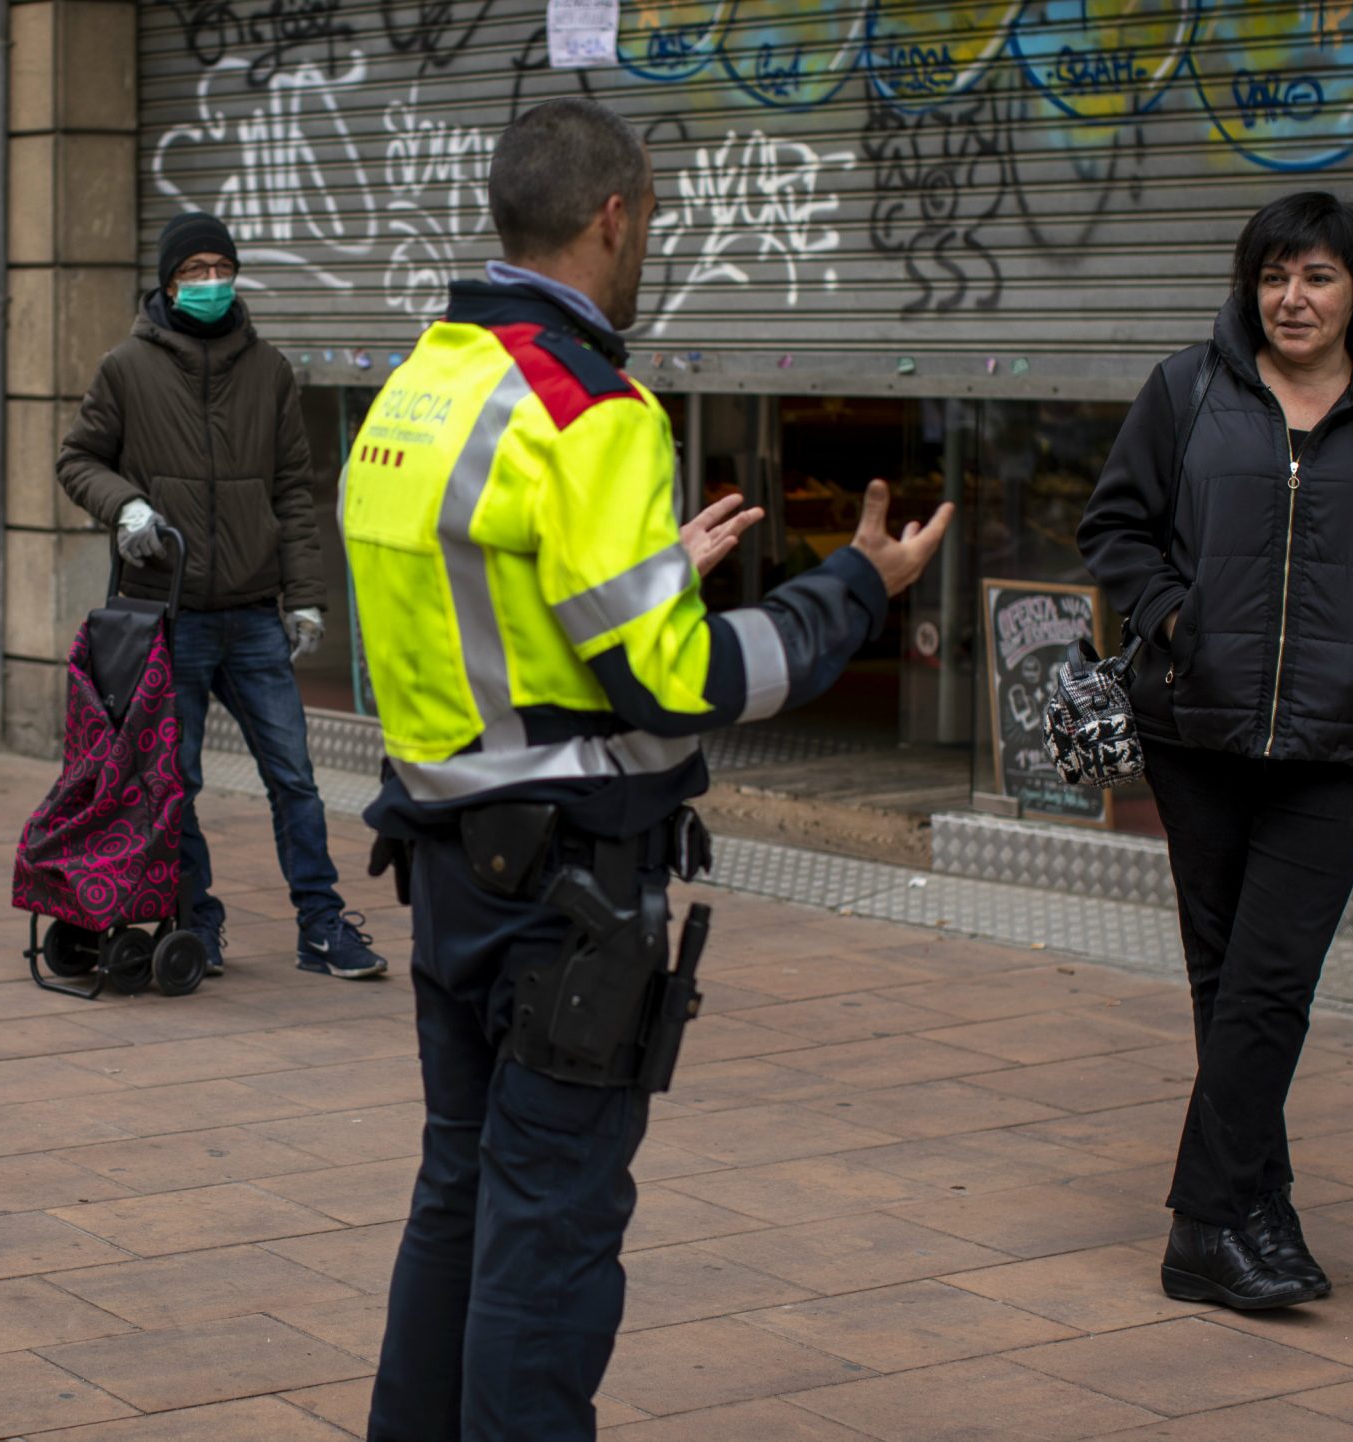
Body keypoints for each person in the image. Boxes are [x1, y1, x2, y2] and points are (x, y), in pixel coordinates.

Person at [343, 98, 951, 1441]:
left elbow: (490, 604)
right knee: (551, 1230)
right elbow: (676, 681)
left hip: (447, 862)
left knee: (460, 1191)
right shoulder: (592, 408)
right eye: (652, 220)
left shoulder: (422, 384)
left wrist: (643, 570)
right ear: (614, 215)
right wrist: (851, 587)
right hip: (569, 885)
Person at [1079, 192, 1353, 1311]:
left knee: (1269, 982)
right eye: (1273, 276)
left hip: (1337, 740)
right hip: (1198, 730)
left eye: (1317, 276)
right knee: (1228, 985)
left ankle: (1203, 1227)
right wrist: (1176, 619)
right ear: (1248, 286)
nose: (1292, 298)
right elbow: (1114, 530)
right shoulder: (1187, 391)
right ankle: (1258, 1208)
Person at [57, 211, 384, 981]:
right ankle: (195, 923)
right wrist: (127, 507)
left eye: (220, 267)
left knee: (295, 776)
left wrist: (306, 598)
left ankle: (322, 925)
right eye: (192, 271)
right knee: (180, 779)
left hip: (252, 614)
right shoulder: (126, 368)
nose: (209, 283)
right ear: (167, 283)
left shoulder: (267, 370)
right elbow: (78, 459)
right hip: (169, 617)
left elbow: (293, 493)